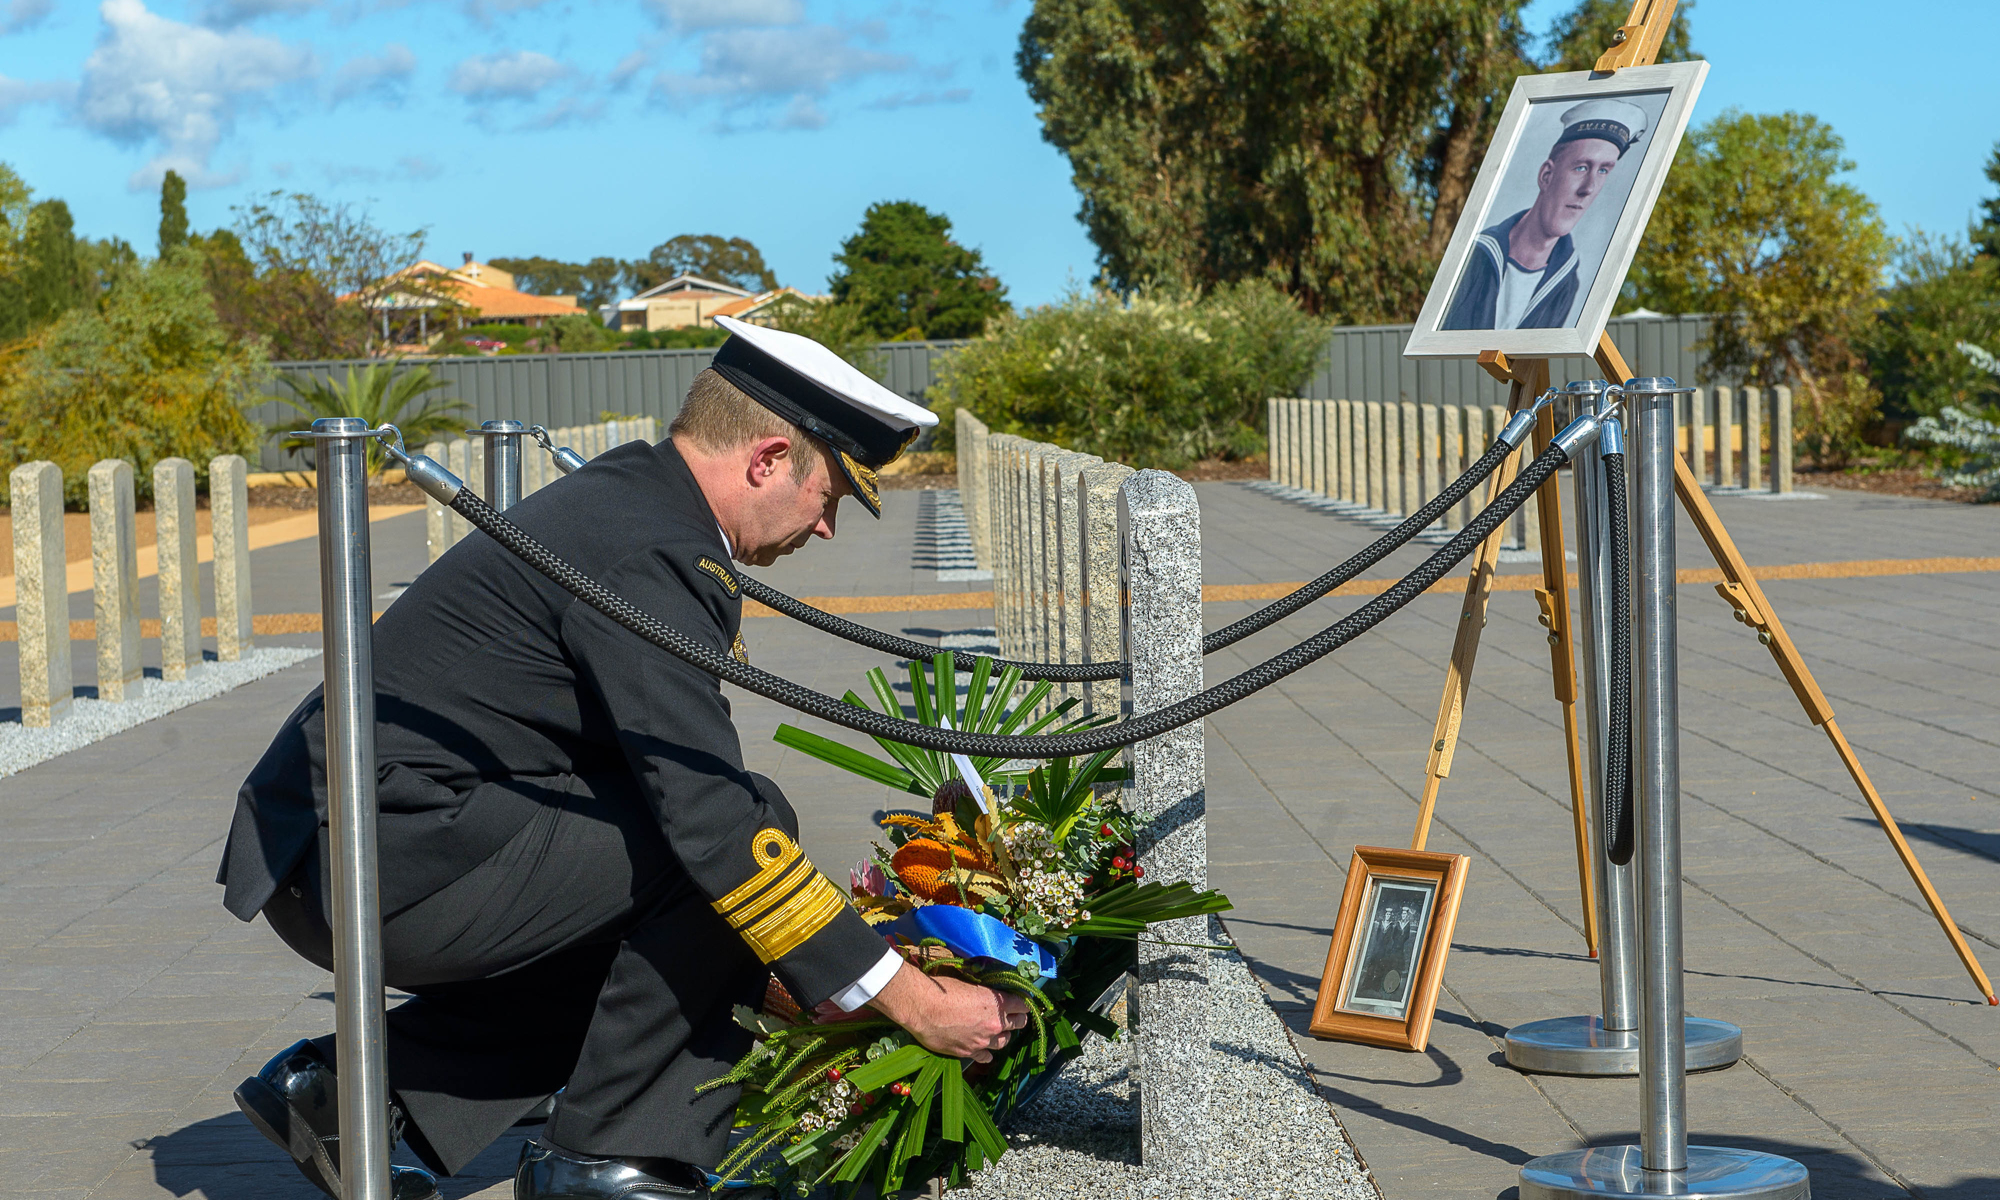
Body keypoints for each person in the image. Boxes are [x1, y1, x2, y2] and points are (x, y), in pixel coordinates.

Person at [217, 315, 1029, 1200]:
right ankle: (609, 1161)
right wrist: (915, 1002)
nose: (826, 528)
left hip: (366, 839)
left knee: (696, 876)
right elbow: (711, 824)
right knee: (718, 853)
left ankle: (353, 1093)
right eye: (829, 495)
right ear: (766, 460)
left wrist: (796, 976)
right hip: (378, 860)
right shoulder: (651, 549)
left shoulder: (639, 503)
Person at [1441, 99, 1649, 331]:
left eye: (1603, 170)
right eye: (1581, 167)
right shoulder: (1475, 256)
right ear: (1546, 175)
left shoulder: (1566, 282)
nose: (1588, 188)